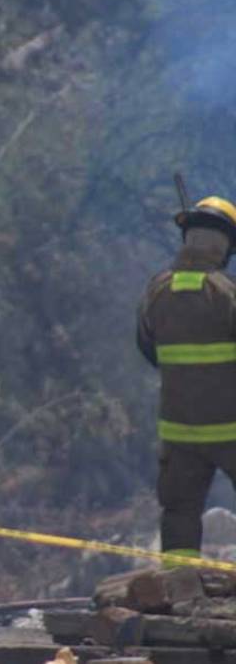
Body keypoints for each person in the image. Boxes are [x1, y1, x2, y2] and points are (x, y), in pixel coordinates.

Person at [137, 196, 236, 567]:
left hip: (179, 432)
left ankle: (180, 591)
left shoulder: (155, 292)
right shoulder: (227, 294)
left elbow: (148, 349)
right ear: (224, 245)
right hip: (232, 429)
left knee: (179, 515)